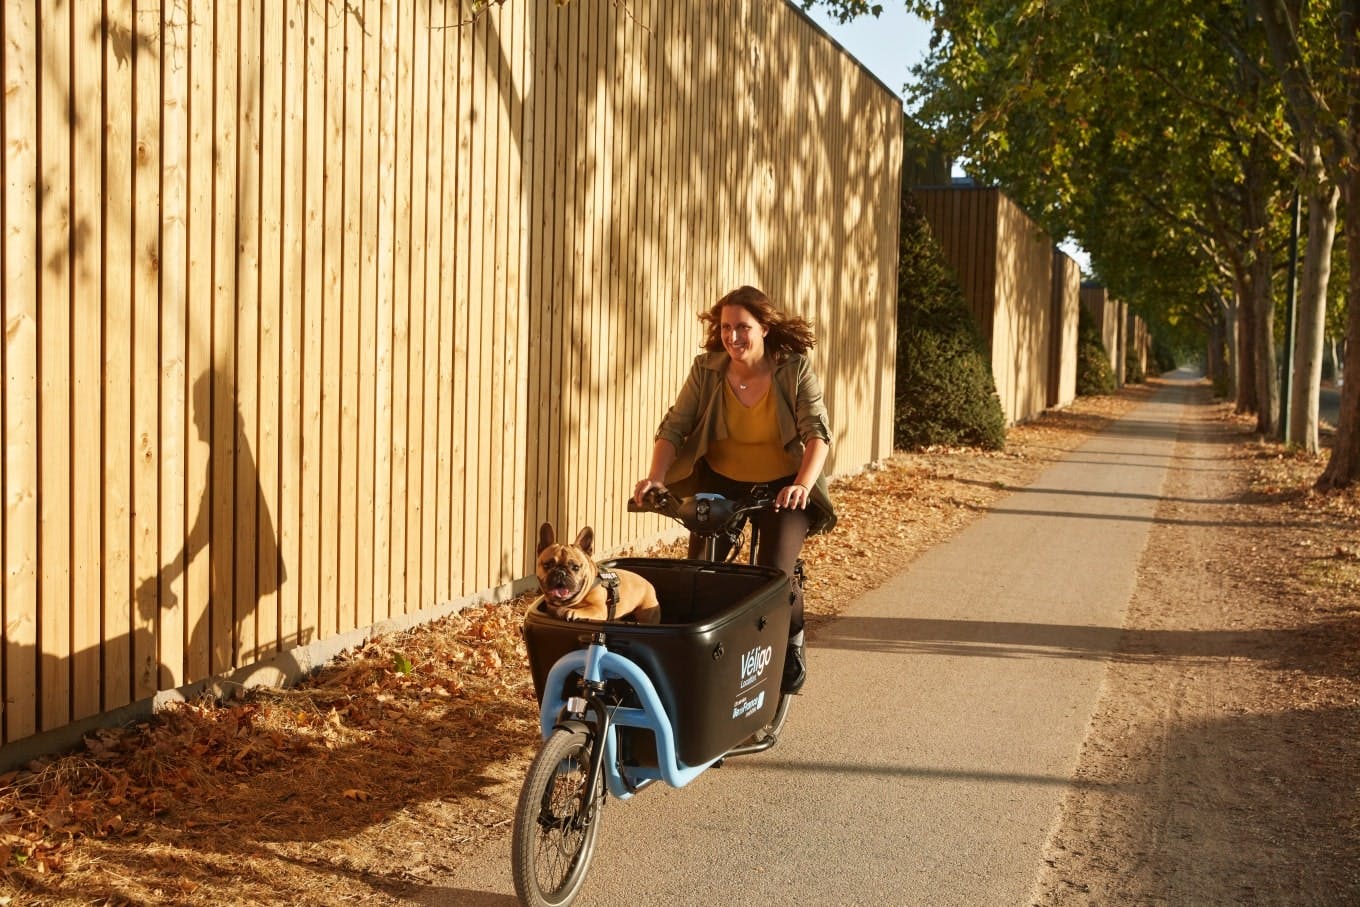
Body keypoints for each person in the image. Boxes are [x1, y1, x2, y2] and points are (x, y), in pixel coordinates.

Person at [633, 285, 836, 694]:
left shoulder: (792, 369)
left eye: (743, 327)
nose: (733, 336)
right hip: (721, 481)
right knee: (699, 575)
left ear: (764, 328)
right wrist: (655, 478)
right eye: (726, 328)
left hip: (784, 486)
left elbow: (817, 433)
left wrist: (801, 485)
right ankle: (704, 669)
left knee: (774, 576)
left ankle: (792, 638)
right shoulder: (707, 370)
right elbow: (674, 427)